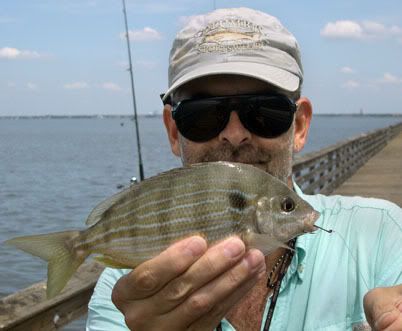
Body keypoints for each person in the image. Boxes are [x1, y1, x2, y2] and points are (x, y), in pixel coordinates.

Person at [86, 7, 402, 331]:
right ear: (173, 131)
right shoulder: (129, 290)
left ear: (301, 125)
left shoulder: (383, 235)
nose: (235, 134)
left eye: (265, 111)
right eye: (202, 115)